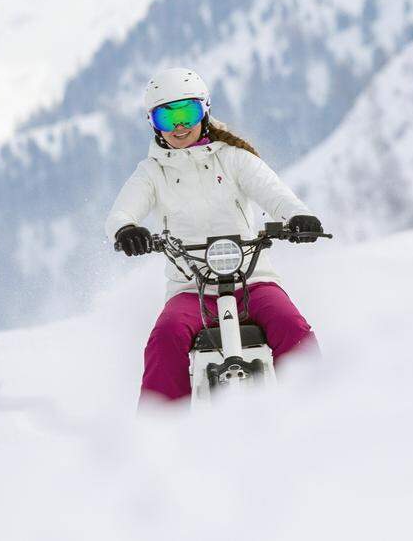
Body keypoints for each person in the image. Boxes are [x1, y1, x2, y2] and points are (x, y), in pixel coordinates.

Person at [106, 68, 322, 404]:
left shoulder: (234, 158)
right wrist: (127, 231)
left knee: (292, 327)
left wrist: (297, 217)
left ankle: (318, 411)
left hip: (254, 281)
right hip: (191, 288)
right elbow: (121, 213)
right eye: (167, 116)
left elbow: (276, 194)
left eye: (187, 112)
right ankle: (161, 436)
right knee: (166, 338)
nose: (179, 126)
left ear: (205, 110)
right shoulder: (151, 173)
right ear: (152, 122)